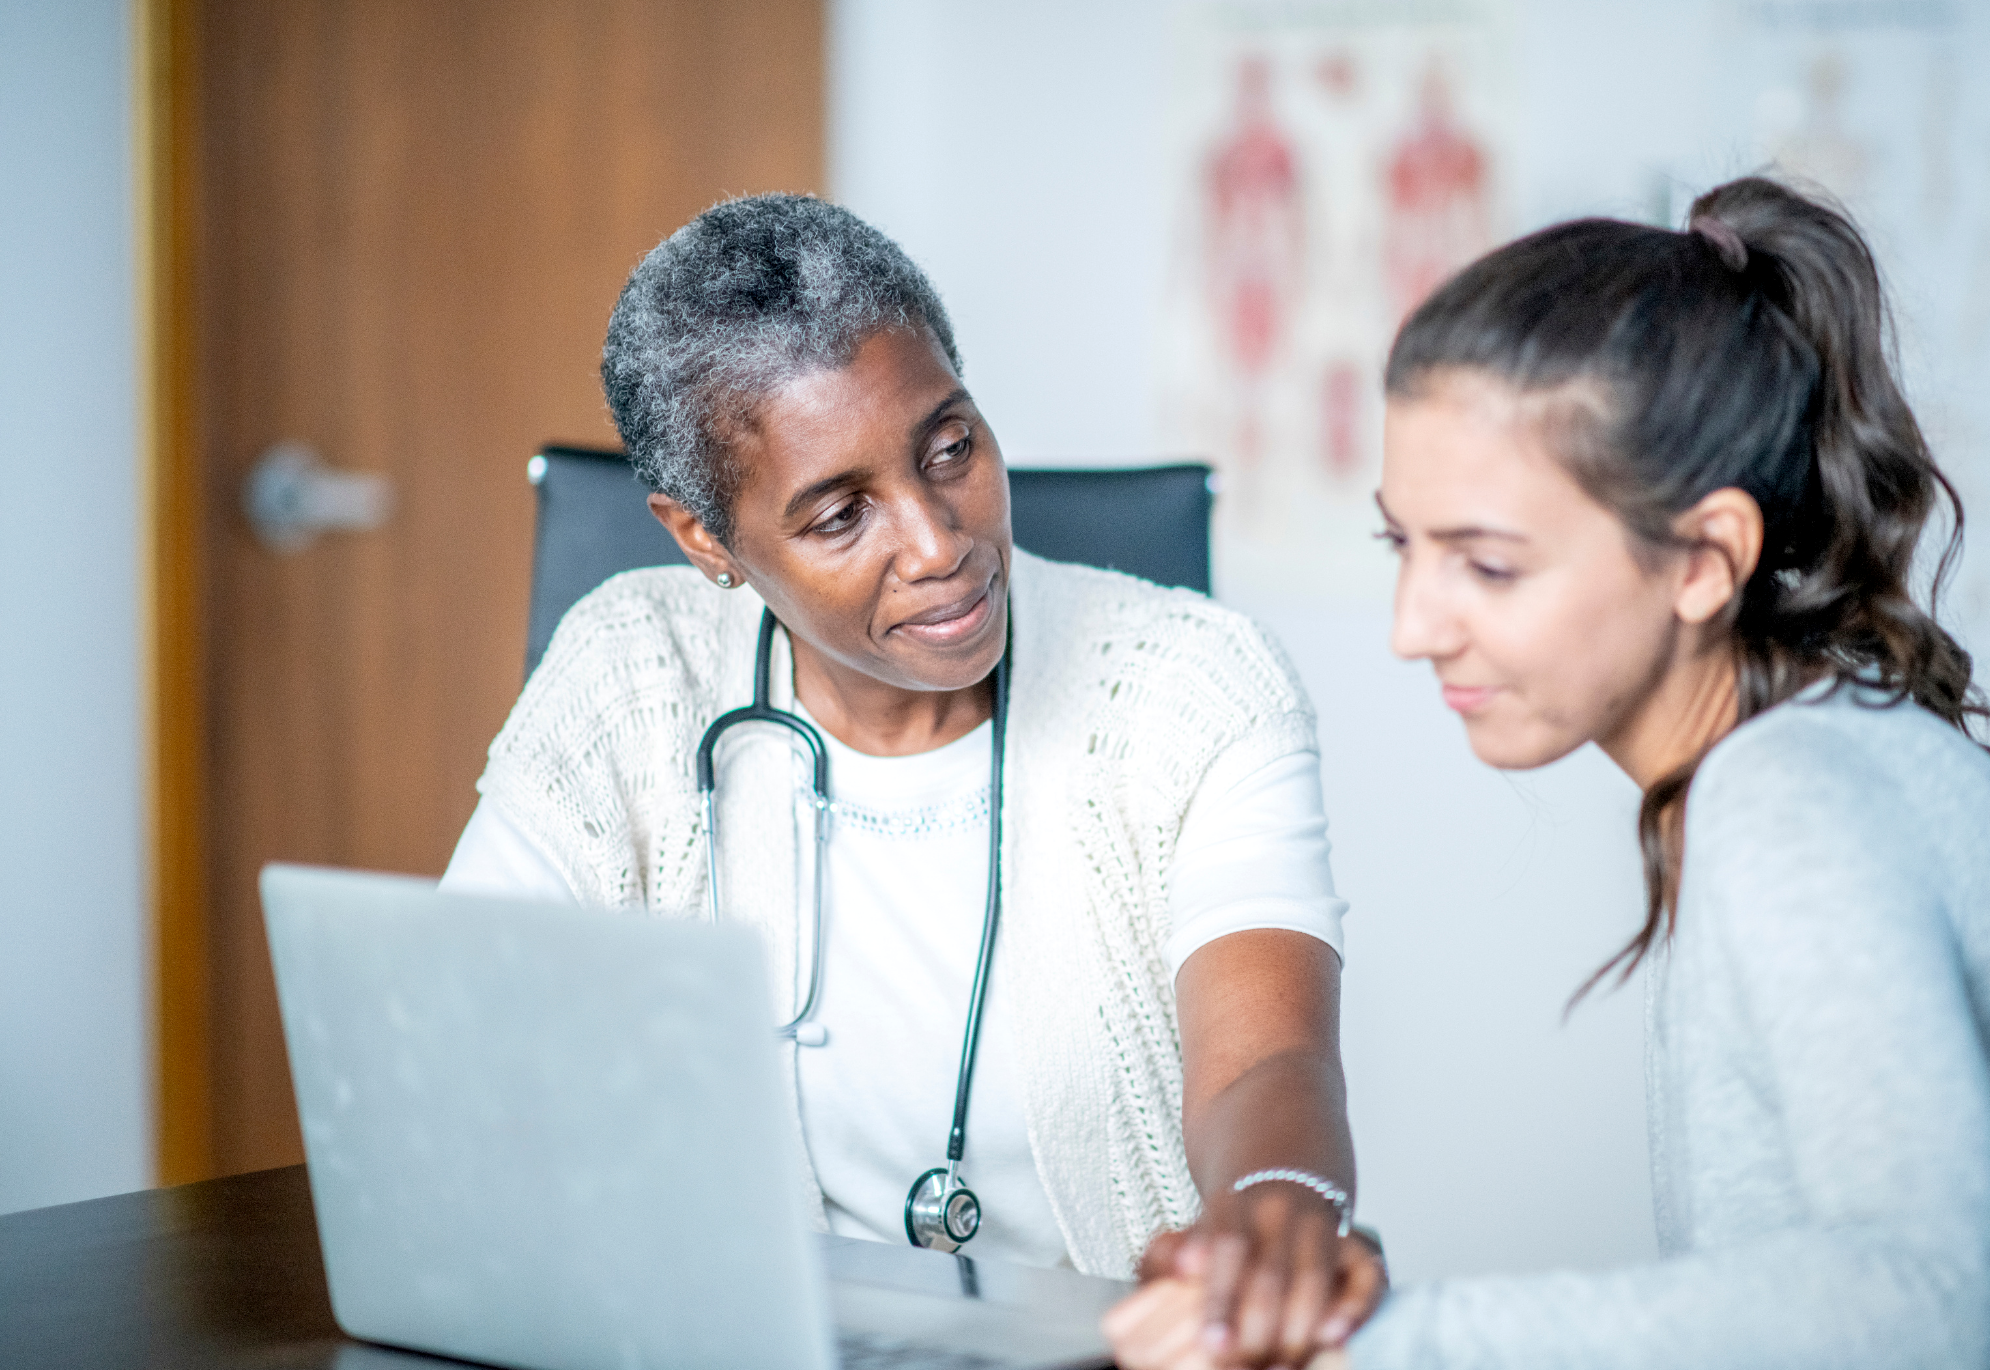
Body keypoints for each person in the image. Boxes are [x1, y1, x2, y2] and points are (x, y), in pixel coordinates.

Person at [1105, 176, 1990, 1369]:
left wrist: (1375, 1343)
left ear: (1702, 561)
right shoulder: (1776, 762)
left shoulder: (1797, 801)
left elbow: (1913, 1308)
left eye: (1484, 566)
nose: (1412, 625)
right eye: (1404, 544)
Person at [438, 194, 1386, 1343]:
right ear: (703, 539)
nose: (941, 545)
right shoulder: (629, 672)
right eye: (841, 516)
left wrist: (1274, 1209)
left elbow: (1267, 1058)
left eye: (950, 448)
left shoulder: (1192, 684)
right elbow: (455, 1045)